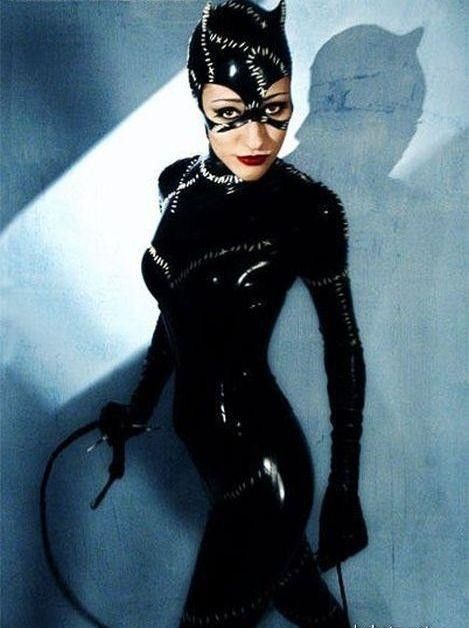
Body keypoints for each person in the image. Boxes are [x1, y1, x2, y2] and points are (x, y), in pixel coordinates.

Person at [99, 1, 368, 626]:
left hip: (264, 470)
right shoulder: (175, 187)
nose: (257, 139)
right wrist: (139, 408)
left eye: (275, 110)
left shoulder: (308, 209)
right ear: (199, 98)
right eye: (229, 114)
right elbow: (178, 314)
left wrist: (344, 488)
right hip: (214, 460)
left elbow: (343, 345)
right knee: (314, 612)